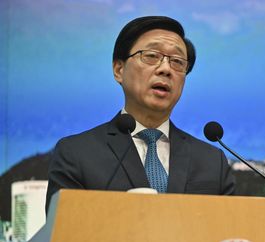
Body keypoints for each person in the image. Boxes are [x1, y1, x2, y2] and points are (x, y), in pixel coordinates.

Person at [45, 16, 235, 212]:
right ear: (119, 69)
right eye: (151, 56)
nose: (165, 69)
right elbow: (67, 233)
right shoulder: (77, 154)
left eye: (177, 61)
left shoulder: (212, 162)